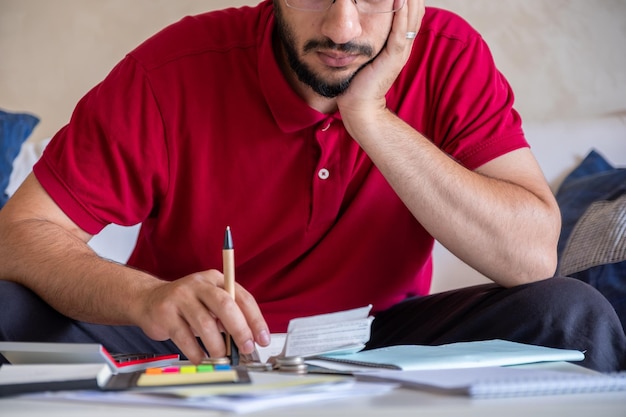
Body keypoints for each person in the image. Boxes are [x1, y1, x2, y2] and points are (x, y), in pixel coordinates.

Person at [0, 0, 624, 372]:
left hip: (379, 338)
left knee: (571, 313)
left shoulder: (450, 55)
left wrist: (369, 116)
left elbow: (533, 256)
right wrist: (146, 298)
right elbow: (20, 234)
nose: (343, 27)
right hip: (188, 341)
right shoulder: (171, 69)